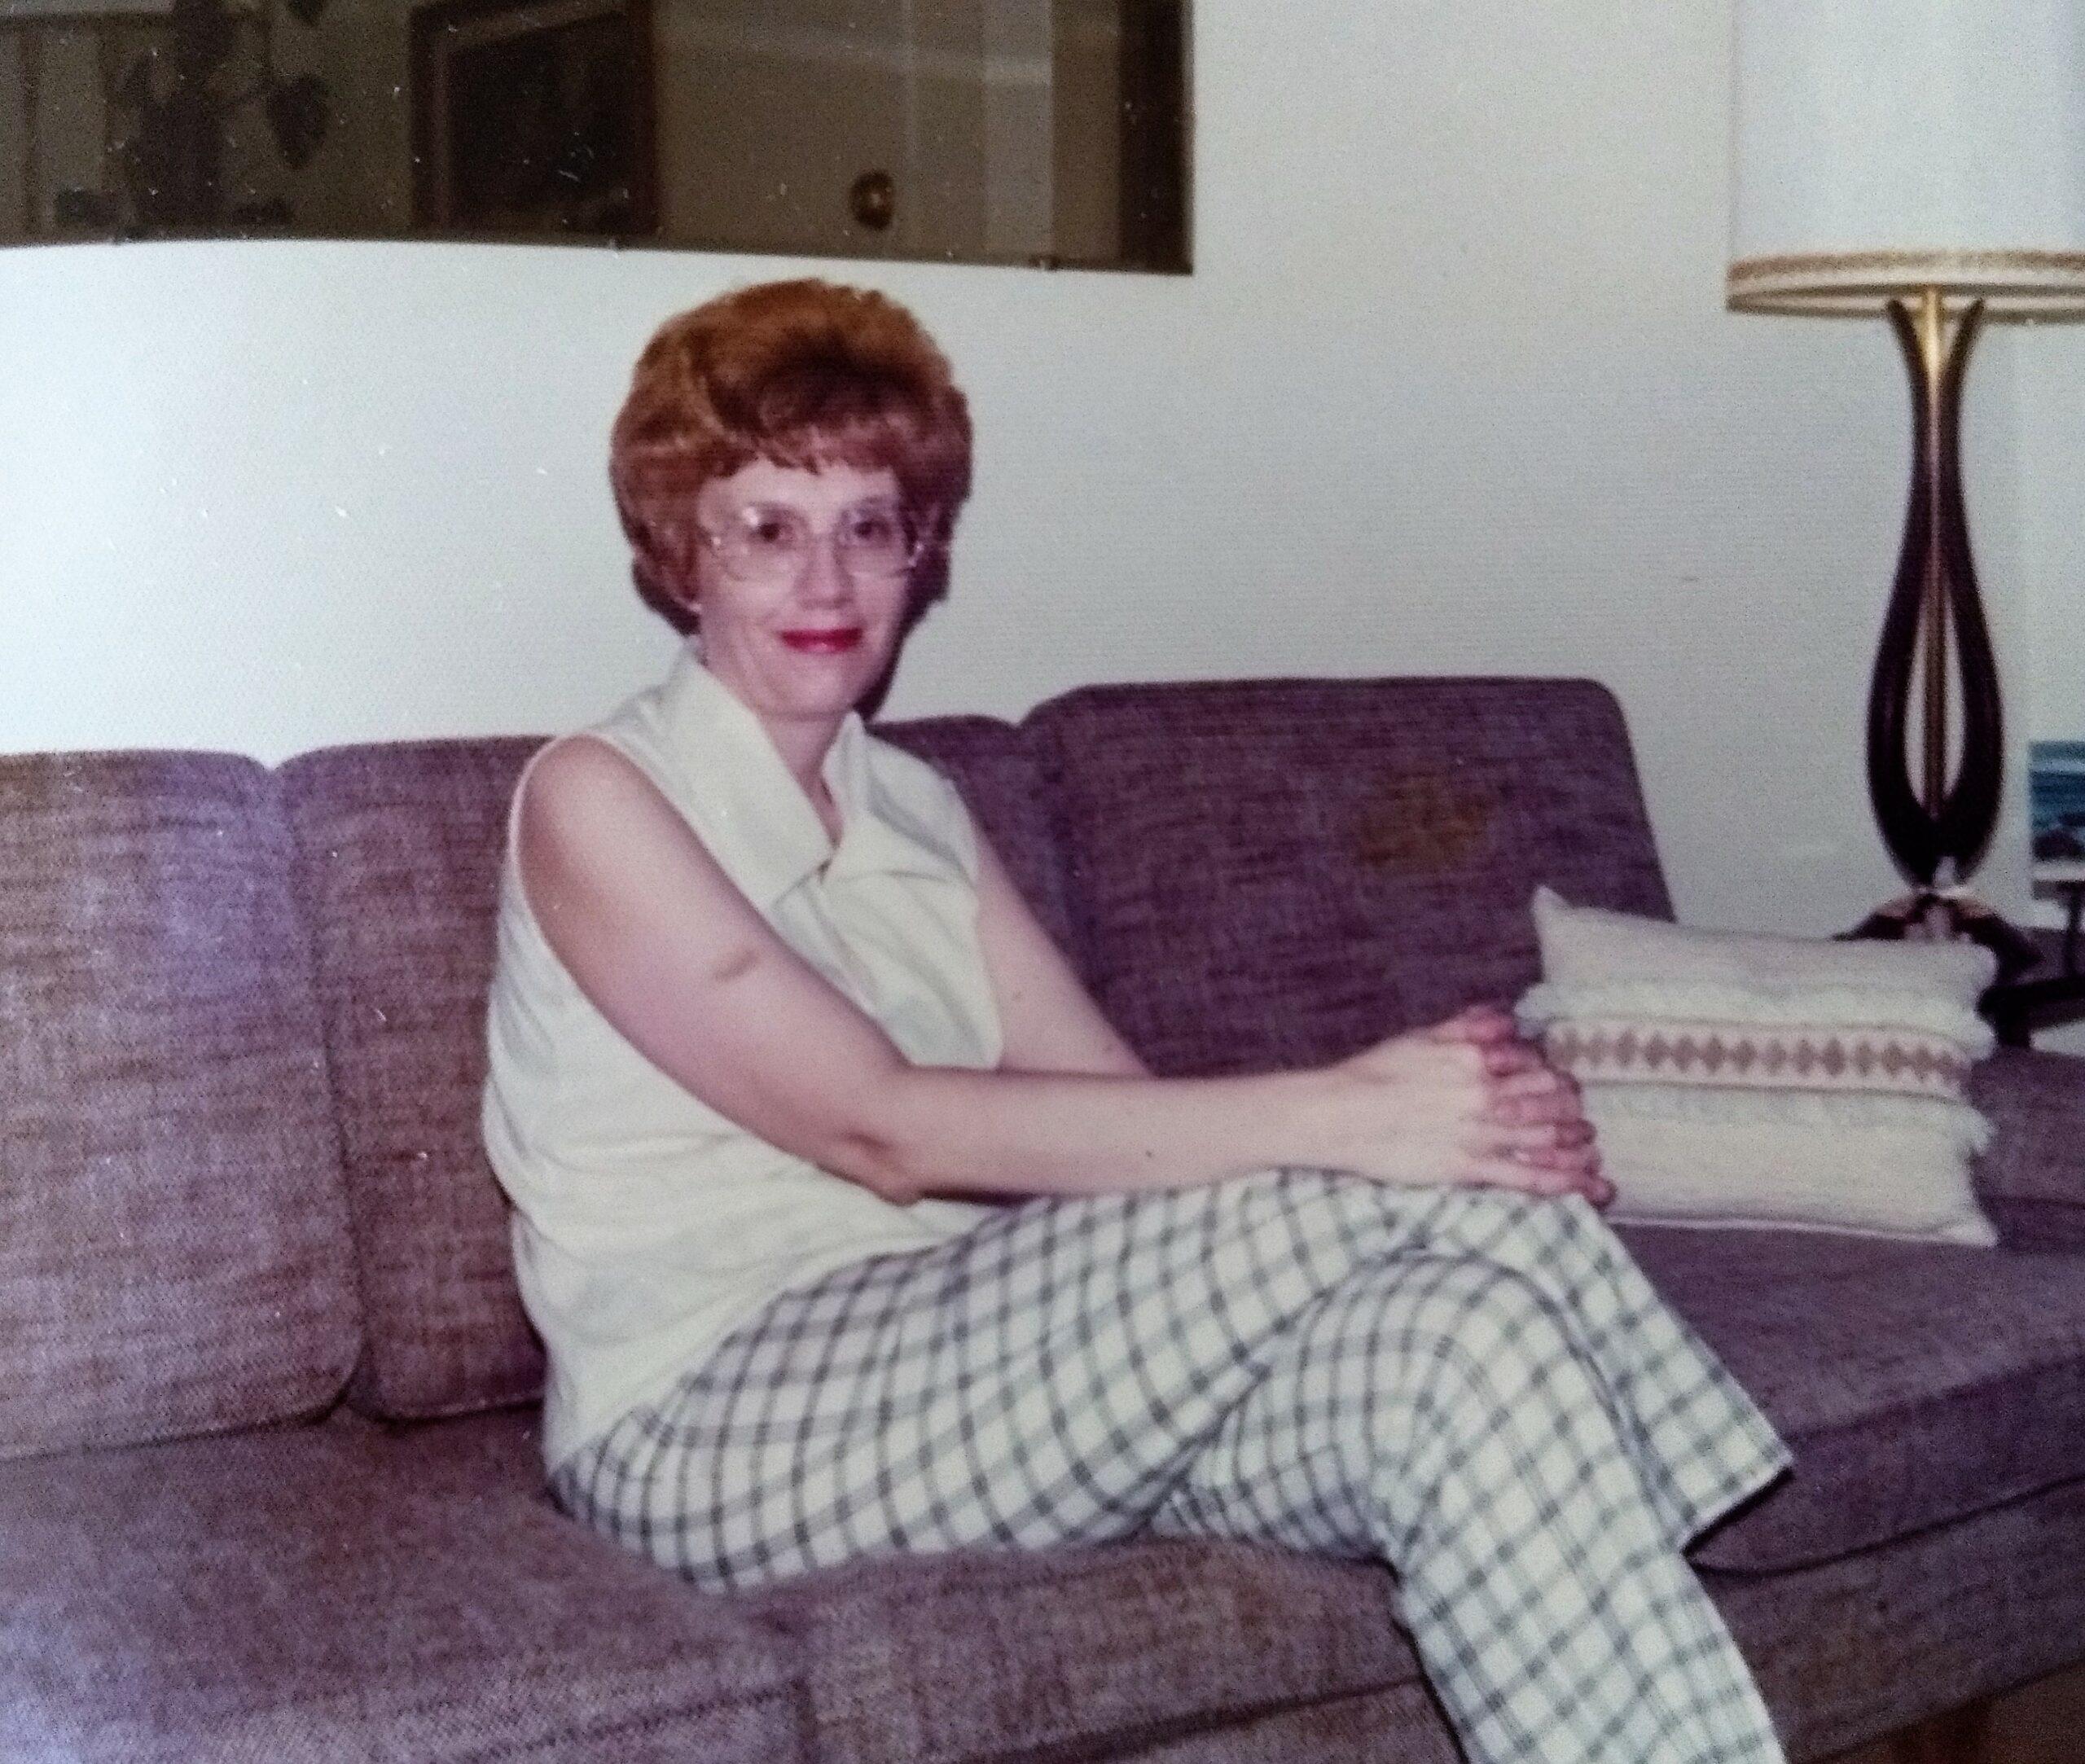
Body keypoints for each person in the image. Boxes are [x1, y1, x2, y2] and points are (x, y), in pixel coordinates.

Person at [481, 278, 1793, 1764]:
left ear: (920, 547)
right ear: (681, 555)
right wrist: (1365, 1114)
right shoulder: (599, 796)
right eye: (767, 529)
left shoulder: (917, 808)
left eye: (869, 524)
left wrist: (1406, 1134)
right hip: (712, 1423)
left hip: (983, 1394)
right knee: (1408, 1172)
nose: (827, 577)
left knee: (1463, 1341)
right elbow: (883, 1127)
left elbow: (1113, 1109)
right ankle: (1697, 1495)